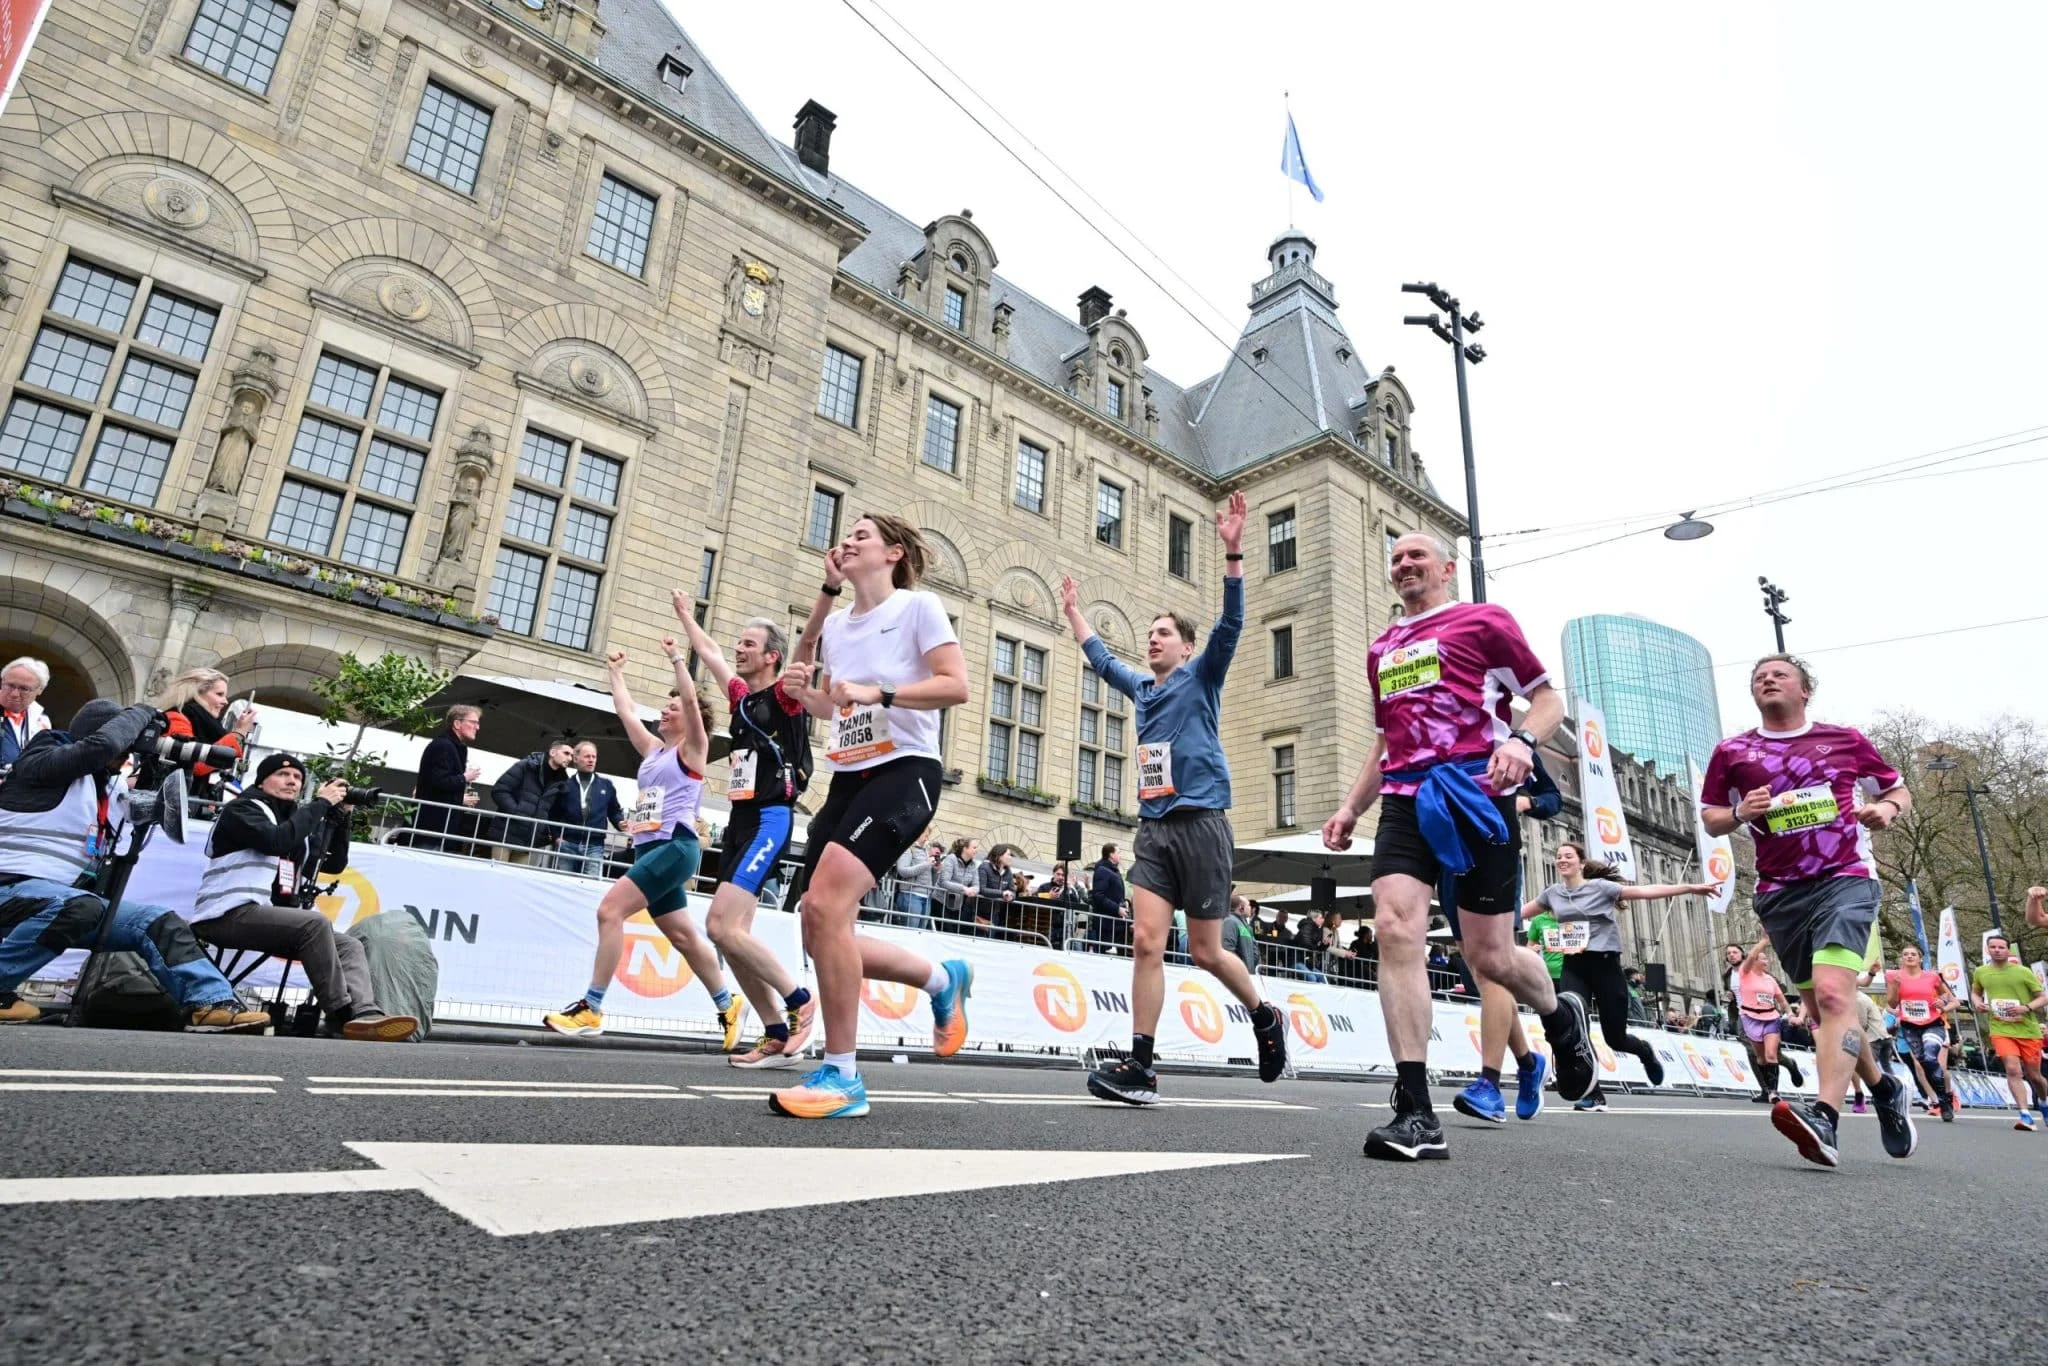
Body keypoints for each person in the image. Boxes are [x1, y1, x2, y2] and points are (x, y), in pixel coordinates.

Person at [1322, 531, 1597, 1162]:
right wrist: (1350, 806)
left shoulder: (1484, 621)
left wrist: (1522, 742)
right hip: (1405, 800)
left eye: (1416, 556)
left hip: (1476, 793)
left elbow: (1548, 700)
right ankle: (1418, 1111)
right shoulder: (1382, 648)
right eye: (1395, 559)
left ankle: (1560, 1016)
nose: (1404, 564)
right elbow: (1385, 741)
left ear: (1446, 568)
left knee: (1491, 958)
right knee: (1394, 927)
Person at [1059, 491, 1289, 1107]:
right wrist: (1076, 613)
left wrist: (1234, 551)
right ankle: (1141, 1065)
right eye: (1151, 635)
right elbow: (1103, 662)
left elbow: (1233, 624)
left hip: (1203, 824)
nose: (1153, 641)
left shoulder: (1201, 675)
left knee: (1209, 950)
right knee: (1145, 942)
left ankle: (1264, 1015)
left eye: (1164, 634)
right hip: (1154, 828)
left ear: (1185, 648)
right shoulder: (1142, 688)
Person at [767, 513, 972, 1120]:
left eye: (863, 534)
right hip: (848, 775)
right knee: (816, 921)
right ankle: (941, 979)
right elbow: (833, 706)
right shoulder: (836, 627)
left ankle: (844, 1077)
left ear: (893, 552)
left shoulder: (918, 607)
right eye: (846, 534)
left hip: (905, 771)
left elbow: (955, 685)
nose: (849, 540)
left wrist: (880, 694)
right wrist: (814, 697)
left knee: (827, 907)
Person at [1701, 652, 1916, 1166]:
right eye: (1758, 678)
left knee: (1832, 993)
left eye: (1779, 675)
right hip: (1780, 891)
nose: (1767, 681)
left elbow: (1897, 788)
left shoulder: (1845, 739)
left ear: (1804, 691)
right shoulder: (1733, 750)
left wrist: (1885, 809)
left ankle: (1825, 1118)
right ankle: (1885, 1089)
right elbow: (1710, 820)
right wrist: (1738, 813)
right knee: (1823, 1011)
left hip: (1844, 877)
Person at [0, 699, 267, 1029]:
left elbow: (161, 812)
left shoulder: (108, 785)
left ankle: (209, 1003)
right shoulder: (43, 755)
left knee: (157, 921)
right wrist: (142, 713)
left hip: (68, 903)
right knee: (80, 907)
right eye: (126, 745)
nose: (126, 756)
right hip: (10, 887)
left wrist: (167, 764)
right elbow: (101, 747)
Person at [542, 642, 745, 1052]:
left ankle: (592, 1008)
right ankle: (729, 1003)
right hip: (650, 849)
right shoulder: (655, 751)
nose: (664, 712)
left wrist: (675, 660)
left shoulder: (693, 749)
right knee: (684, 938)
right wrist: (616, 671)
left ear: (688, 720)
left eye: (671, 709)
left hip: (676, 845)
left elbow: (689, 698)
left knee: (609, 910)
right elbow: (626, 712)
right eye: (664, 708)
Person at [668, 591, 818, 1069]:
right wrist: (687, 618)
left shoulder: (783, 698)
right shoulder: (741, 697)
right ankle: (774, 1032)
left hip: (771, 818)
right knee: (729, 936)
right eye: (739, 642)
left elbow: (803, 654)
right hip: (740, 819)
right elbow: (710, 654)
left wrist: (827, 596)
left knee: (719, 925)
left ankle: (800, 1001)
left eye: (748, 644)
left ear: (771, 655)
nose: (739, 648)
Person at [191, 752, 419, 1040]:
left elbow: (332, 864)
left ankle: (364, 1015)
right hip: (224, 915)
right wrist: (321, 803)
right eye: (283, 775)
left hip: (262, 919)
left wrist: (341, 816)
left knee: (348, 945)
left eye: (298, 777)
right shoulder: (242, 808)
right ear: (262, 781)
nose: (292, 781)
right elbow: (276, 841)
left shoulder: (290, 822)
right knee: (315, 923)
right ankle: (341, 1013)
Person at [1525, 841, 1717, 1113]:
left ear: (1581, 863)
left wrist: (1689, 887)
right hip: (1573, 966)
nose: (1561, 860)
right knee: (1575, 1029)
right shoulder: (1552, 894)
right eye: (1558, 857)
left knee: (1615, 1037)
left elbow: (1645, 891)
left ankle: (1645, 1053)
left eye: (1568, 856)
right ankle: (1593, 1094)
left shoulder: (1601, 888)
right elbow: (1519, 912)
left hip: (1605, 966)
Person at [1455, 751, 1565, 1127]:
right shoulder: (1442, 728)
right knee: (1477, 964)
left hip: (1496, 852)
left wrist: (1524, 800)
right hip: (1452, 856)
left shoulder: (1508, 739)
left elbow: (1553, 799)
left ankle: (1489, 1084)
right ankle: (1529, 1063)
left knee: (1492, 966)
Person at [1969, 932, 2048, 1131]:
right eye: (1993, 947)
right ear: (1988, 949)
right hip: (2000, 1027)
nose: (1996, 950)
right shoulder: (1981, 972)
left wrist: (2026, 1008)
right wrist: (1978, 1003)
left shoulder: (2022, 972)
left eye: (2001, 947)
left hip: (2027, 1030)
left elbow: (2043, 997)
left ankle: (2044, 1103)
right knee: (2013, 1069)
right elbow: (1975, 992)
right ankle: (2025, 1115)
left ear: (2008, 950)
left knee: (2035, 1076)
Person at [155, 666, 256, 800]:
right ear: (196, 693)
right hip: (166, 801)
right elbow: (194, 765)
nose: (225, 701)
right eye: (219, 694)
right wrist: (239, 733)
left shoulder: (198, 720)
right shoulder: (177, 717)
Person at [1886, 944, 1960, 1120]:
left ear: (1920, 959)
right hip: (1910, 1026)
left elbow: (1952, 1000)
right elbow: (1892, 1003)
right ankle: (1943, 1098)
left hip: (1933, 1023)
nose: (1909, 957)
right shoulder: (1892, 976)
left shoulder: (1932, 977)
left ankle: (1943, 1100)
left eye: (1913, 954)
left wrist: (1943, 1006)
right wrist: (1896, 987)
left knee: (1929, 1057)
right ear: (1901, 959)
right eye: (1905, 954)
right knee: (1924, 1066)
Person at [1733, 939, 1798, 1103]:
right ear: (1754, 960)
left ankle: (1773, 1092)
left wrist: (1790, 1014)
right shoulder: (1745, 974)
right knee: (1760, 1058)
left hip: (1771, 1018)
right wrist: (1764, 940)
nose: (1766, 961)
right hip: (1751, 1018)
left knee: (1771, 1055)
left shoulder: (1770, 980)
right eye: (1763, 958)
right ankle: (1767, 1089)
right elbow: (1751, 955)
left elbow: (1782, 1001)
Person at [548, 740, 624, 875]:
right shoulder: (565, 785)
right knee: (564, 885)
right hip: (568, 843)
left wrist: (620, 822)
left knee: (591, 885)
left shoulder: (606, 785)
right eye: (587, 756)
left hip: (594, 845)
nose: (591, 760)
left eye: (594, 757)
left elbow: (614, 811)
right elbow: (553, 814)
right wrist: (556, 837)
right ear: (576, 759)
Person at [413, 705, 482, 853]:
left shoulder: (451, 746)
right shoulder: (444, 746)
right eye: (473, 722)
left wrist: (459, 798)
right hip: (433, 826)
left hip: (439, 825)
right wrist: (465, 777)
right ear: (457, 724)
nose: (478, 727)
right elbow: (438, 782)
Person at [490, 739, 573, 861]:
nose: (570, 758)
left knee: (517, 879)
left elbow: (554, 813)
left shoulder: (563, 782)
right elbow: (500, 790)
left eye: (572, 755)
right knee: (497, 877)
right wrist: (517, 813)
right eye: (566, 753)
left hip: (528, 840)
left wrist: (550, 833)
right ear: (553, 752)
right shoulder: (526, 765)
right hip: (506, 833)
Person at [0, 656, 53, 772]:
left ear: (40, 690)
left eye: (24, 689)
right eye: (10, 685)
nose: (14, 694)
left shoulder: (42, 719)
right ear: (2, 681)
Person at [1089, 843, 1130, 953]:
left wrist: (1124, 901)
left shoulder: (1113, 871)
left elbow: (1114, 893)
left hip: (1115, 924)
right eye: (1118, 852)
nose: (1120, 855)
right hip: (1106, 925)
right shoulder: (1102, 870)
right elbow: (1098, 895)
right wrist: (1117, 908)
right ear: (1111, 854)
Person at [891, 838, 939, 930]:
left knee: (920, 932)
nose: (926, 838)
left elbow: (929, 876)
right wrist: (926, 864)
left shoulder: (926, 850)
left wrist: (935, 870)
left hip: (926, 895)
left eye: (928, 835)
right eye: (925, 834)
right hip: (910, 894)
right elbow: (902, 871)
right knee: (910, 932)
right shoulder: (909, 848)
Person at [937, 837, 979, 933]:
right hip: (941, 902)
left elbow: (977, 886)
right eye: (974, 847)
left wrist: (973, 891)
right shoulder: (951, 858)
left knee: (953, 933)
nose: (976, 851)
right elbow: (944, 881)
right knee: (946, 931)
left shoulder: (973, 864)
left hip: (957, 905)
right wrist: (964, 888)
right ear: (965, 848)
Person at [976, 843, 1018, 934]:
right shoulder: (984, 867)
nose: (1010, 857)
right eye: (1008, 854)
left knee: (991, 943)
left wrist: (1011, 897)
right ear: (999, 856)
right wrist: (1002, 894)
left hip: (994, 914)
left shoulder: (1008, 872)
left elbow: (1012, 891)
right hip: (979, 912)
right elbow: (982, 889)